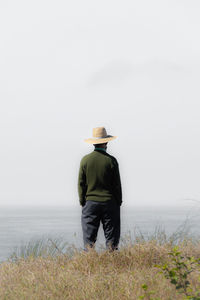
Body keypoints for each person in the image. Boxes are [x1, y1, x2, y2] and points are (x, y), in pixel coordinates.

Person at [78, 127, 122, 250]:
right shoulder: (111, 161)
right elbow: (117, 185)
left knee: (89, 240)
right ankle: (112, 263)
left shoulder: (85, 160)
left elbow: (81, 183)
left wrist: (83, 201)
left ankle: (89, 263)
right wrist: (118, 202)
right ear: (106, 142)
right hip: (109, 203)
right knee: (112, 240)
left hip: (90, 203)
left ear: (93, 143)